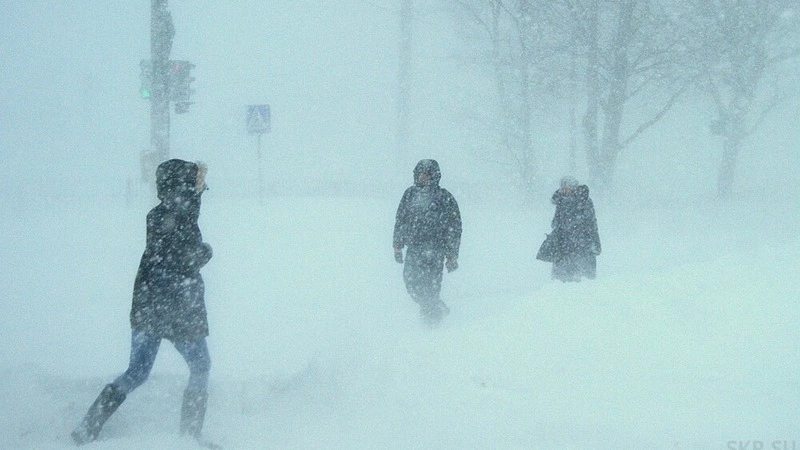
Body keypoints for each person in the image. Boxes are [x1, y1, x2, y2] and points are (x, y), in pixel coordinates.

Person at [72, 159, 215, 446]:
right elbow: (182, 259)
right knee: (200, 367)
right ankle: (189, 437)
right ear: (182, 186)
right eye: (194, 181)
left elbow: (175, 244)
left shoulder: (166, 213)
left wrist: (197, 183)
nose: (200, 185)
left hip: (149, 307)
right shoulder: (177, 216)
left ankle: (88, 428)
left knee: (137, 372)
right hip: (177, 309)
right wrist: (204, 252)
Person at [393, 159, 462, 325]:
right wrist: (397, 245)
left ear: (434, 176)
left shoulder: (445, 198)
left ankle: (432, 325)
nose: (422, 177)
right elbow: (400, 220)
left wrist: (452, 255)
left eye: (426, 174)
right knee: (411, 284)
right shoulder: (409, 194)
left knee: (432, 287)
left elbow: (455, 228)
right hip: (414, 249)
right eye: (420, 174)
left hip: (436, 250)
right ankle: (434, 307)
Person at [549, 176, 601, 282]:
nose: (564, 189)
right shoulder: (560, 201)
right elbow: (555, 222)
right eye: (563, 187)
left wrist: (595, 243)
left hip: (581, 243)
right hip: (563, 243)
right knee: (560, 277)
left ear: (574, 188)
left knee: (582, 275)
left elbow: (591, 224)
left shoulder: (584, 201)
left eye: (567, 187)